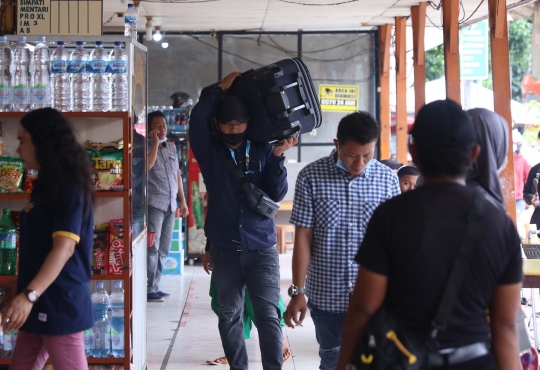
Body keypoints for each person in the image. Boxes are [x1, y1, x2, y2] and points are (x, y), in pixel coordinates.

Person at [336, 100, 522, 370]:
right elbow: (505, 327)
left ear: (413, 151)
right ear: (474, 154)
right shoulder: (500, 225)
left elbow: (364, 307)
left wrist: (343, 365)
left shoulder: (391, 216)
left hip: (404, 359)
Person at [190, 71, 297, 370]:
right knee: (229, 314)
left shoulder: (263, 149)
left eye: (239, 123)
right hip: (225, 249)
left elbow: (275, 194)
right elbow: (197, 118)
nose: (233, 128)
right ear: (218, 124)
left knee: (267, 314)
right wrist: (218, 88)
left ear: (249, 123)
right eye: (227, 123)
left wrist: (277, 157)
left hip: (261, 247)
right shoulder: (210, 153)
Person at [284, 110, 400, 370]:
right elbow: (303, 237)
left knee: (375, 362)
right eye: (351, 155)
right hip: (327, 296)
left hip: (375, 297)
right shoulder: (311, 177)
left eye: (367, 155)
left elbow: (396, 244)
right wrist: (298, 291)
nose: (359, 163)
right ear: (337, 145)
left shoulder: (388, 181)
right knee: (333, 360)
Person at [3, 108, 94, 369]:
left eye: (22, 141)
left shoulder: (69, 187)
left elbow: (63, 249)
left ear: (44, 141)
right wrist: (18, 287)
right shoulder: (47, 185)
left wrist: (28, 296)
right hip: (37, 300)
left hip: (58, 303)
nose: (18, 150)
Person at [147, 110, 189, 302]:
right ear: (150, 129)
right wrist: (155, 143)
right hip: (154, 204)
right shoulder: (145, 147)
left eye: (164, 125)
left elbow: (177, 175)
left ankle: (155, 285)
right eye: (157, 126)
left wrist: (183, 201)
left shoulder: (172, 148)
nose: (162, 129)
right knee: (152, 248)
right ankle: (148, 287)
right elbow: (147, 166)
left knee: (163, 248)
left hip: (171, 204)